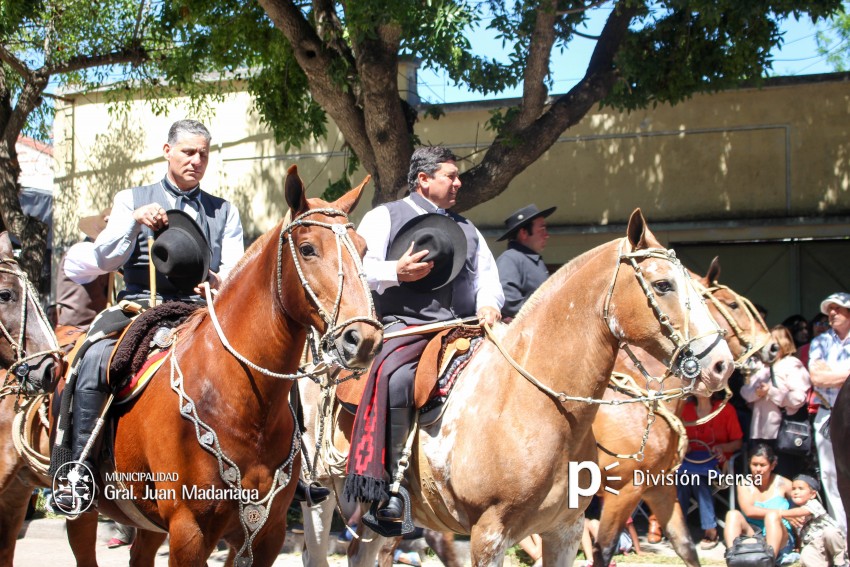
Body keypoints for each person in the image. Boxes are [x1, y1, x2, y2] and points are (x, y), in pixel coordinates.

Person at [53, 119, 249, 512]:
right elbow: (104, 259)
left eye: (203, 155)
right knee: (91, 357)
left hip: (201, 308)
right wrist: (133, 220)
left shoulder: (224, 211)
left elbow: (235, 270)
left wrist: (216, 280)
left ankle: (288, 471)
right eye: (188, 152)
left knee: (259, 358)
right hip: (141, 304)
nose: (196, 161)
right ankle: (78, 472)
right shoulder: (132, 197)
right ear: (167, 151)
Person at [346, 146, 503, 523]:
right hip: (403, 326)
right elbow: (353, 270)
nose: (458, 182)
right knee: (396, 377)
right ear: (423, 179)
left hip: (463, 328)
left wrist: (488, 305)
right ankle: (392, 489)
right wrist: (394, 270)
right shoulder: (384, 216)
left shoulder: (468, 228)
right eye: (451, 175)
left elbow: (488, 279)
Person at [741, 325, 812, 479]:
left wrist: (771, 392)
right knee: (760, 478)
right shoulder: (760, 366)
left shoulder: (792, 364)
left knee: (783, 477)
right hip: (759, 432)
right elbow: (744, 392)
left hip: (782, 433)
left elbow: (798, 398)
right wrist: (757, 392)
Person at [676, 391, 743, 549]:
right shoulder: (686, 409)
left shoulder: (725, 409)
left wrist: (722, 447)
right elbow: (677, 437)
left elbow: (738, 442)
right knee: (683, 479)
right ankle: (686, 528)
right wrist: (684, 446)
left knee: (696, 479)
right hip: (690, 462)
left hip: (717, 465)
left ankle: (707, 529)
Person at [808, 292, 850, 533]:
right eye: (830, 309)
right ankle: (843, 534)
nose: (832, 313)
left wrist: (831, 375)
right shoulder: (820, 342)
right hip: (827, 415)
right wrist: (845, 374)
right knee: (830, 474)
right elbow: (817, 377)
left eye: (838, 308)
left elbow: (826, 377)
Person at [724, 443, 796, 562]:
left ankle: (769, 562)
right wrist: (783, 513)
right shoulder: (744, 484)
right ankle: (733, 559)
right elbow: (749, 511)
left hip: (780, 537)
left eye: (762, 465)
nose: (758, 469)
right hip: (755, 534)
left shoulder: (783, 483)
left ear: (773, 465)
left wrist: (793, 515)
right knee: (732, 514)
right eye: (754, 464)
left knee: (772, 517)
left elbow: (805, 502)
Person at [495, 203, 555, 320]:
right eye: (542, 229)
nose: (546, 235)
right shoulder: (510, 259)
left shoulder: (527, 259)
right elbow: (510, 302)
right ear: (523, 233)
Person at [781, 474, 848, 567]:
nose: (796, 492)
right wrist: (798, 546)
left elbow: (802, 511)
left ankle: (841, 562)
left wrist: (779, 513)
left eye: (800, 489)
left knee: (830, 532)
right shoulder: (792, 511)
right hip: (814, 544)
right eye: (794, 489)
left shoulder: (814, 504)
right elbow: (798, 534)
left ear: (812, 494)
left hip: (828, 540)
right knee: (806, 555)